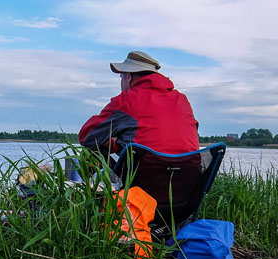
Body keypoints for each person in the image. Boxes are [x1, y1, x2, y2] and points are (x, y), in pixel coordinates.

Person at [78, 51, 201, 207]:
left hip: (141, 193)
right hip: (183, 198)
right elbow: (171, 139)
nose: (121, 81)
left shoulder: (126, 101)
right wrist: (119, 145)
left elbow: (87, 136)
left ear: (129, 76)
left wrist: (111, 144)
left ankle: (81, 203)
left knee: (91, 149)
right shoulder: (182, 101)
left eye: (121, 76)